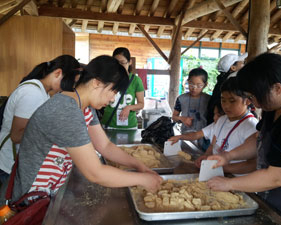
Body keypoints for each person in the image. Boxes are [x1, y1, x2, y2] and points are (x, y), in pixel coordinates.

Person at [0, 55, 162, 207]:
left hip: (50, 191)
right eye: (113, 91)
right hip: (31, 197)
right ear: (97, 83)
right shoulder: (65, 109)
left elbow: (104, 146)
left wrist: (138, 165)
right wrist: (142, 179)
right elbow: (94, 173)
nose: (113, 99)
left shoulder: (83, 107)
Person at [207, 53, 281, 223]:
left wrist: (229, 184)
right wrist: (228, 156)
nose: (253, 103)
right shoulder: (274, 106)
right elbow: (260, 139)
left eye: (253, 97)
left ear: (277, 88)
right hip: (271, 196)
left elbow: (280, 176)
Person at [0, 55, 80, 184]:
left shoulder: (42, 92)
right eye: (69, 81)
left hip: (17, 162)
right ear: (58, 73)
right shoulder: (32, 93)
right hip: (10, 164)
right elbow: (16, 136)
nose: (69, 87)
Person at [195, 77, 258, 175]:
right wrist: (206, 156)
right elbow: (213, 145)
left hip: (237, 180)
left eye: (232, 101)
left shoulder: (252, 126)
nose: (226, 106)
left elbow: (253, 164)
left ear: (247, 101)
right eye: (223, 100)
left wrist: (225, 169)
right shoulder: (221, 120)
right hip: (216, 173)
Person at [101, 47, 144, 129]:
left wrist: (128, 107)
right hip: (108, 124)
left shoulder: (136, 80)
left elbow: (141, 104)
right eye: (116, 63)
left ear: (129, 62)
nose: (119, 66)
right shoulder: (108, 79)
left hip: (129, 126)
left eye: (122, 63)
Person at [172, 68, 211, 150]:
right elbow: (174, 117)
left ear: (205, 85)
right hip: (185, 137)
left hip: (204, 138)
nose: (194, 88)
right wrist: (182, 118)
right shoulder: (181, 99)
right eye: (191, 84)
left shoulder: (209, 100)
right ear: (188, 82)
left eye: (199, 85)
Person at [206, 53, 248, 124]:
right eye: (242, 63)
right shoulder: (232, 80)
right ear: (233, 68)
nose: (244, 65)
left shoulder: (221, 80)